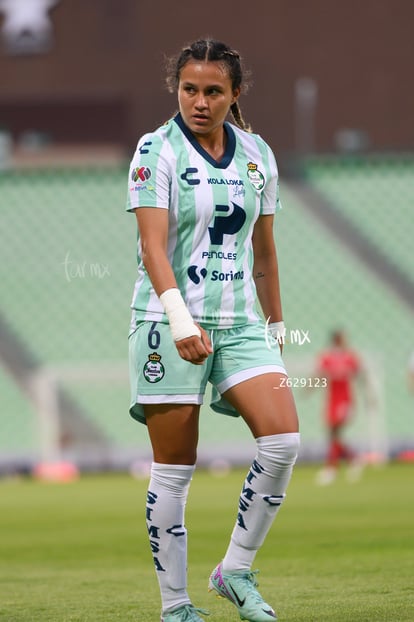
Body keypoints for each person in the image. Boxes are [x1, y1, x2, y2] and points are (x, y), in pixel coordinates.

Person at [126, 38, 300, 622]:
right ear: (177, 89)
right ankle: (176, 607)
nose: (199, 101)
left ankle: (235, 570)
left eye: (213, 91)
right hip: (167, 321)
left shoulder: (257, 155)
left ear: (235, 94)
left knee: (283, 442)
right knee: (175, 469)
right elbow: (152, 248)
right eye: (189, 89)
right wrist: (179, 318)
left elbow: (267, 255)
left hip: (242, 322)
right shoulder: (156, 150)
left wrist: (275, 332)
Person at [314, 329, 363, 485]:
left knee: (336, 431)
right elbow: (319, 375)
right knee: (332, 434)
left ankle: (331, 468)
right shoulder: (327, 357)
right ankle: (353, 459)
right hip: (332, 400)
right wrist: (308, 388)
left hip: (345, 400)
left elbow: (360, 375)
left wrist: (370, 397)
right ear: (336, 339)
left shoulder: (350, 356)